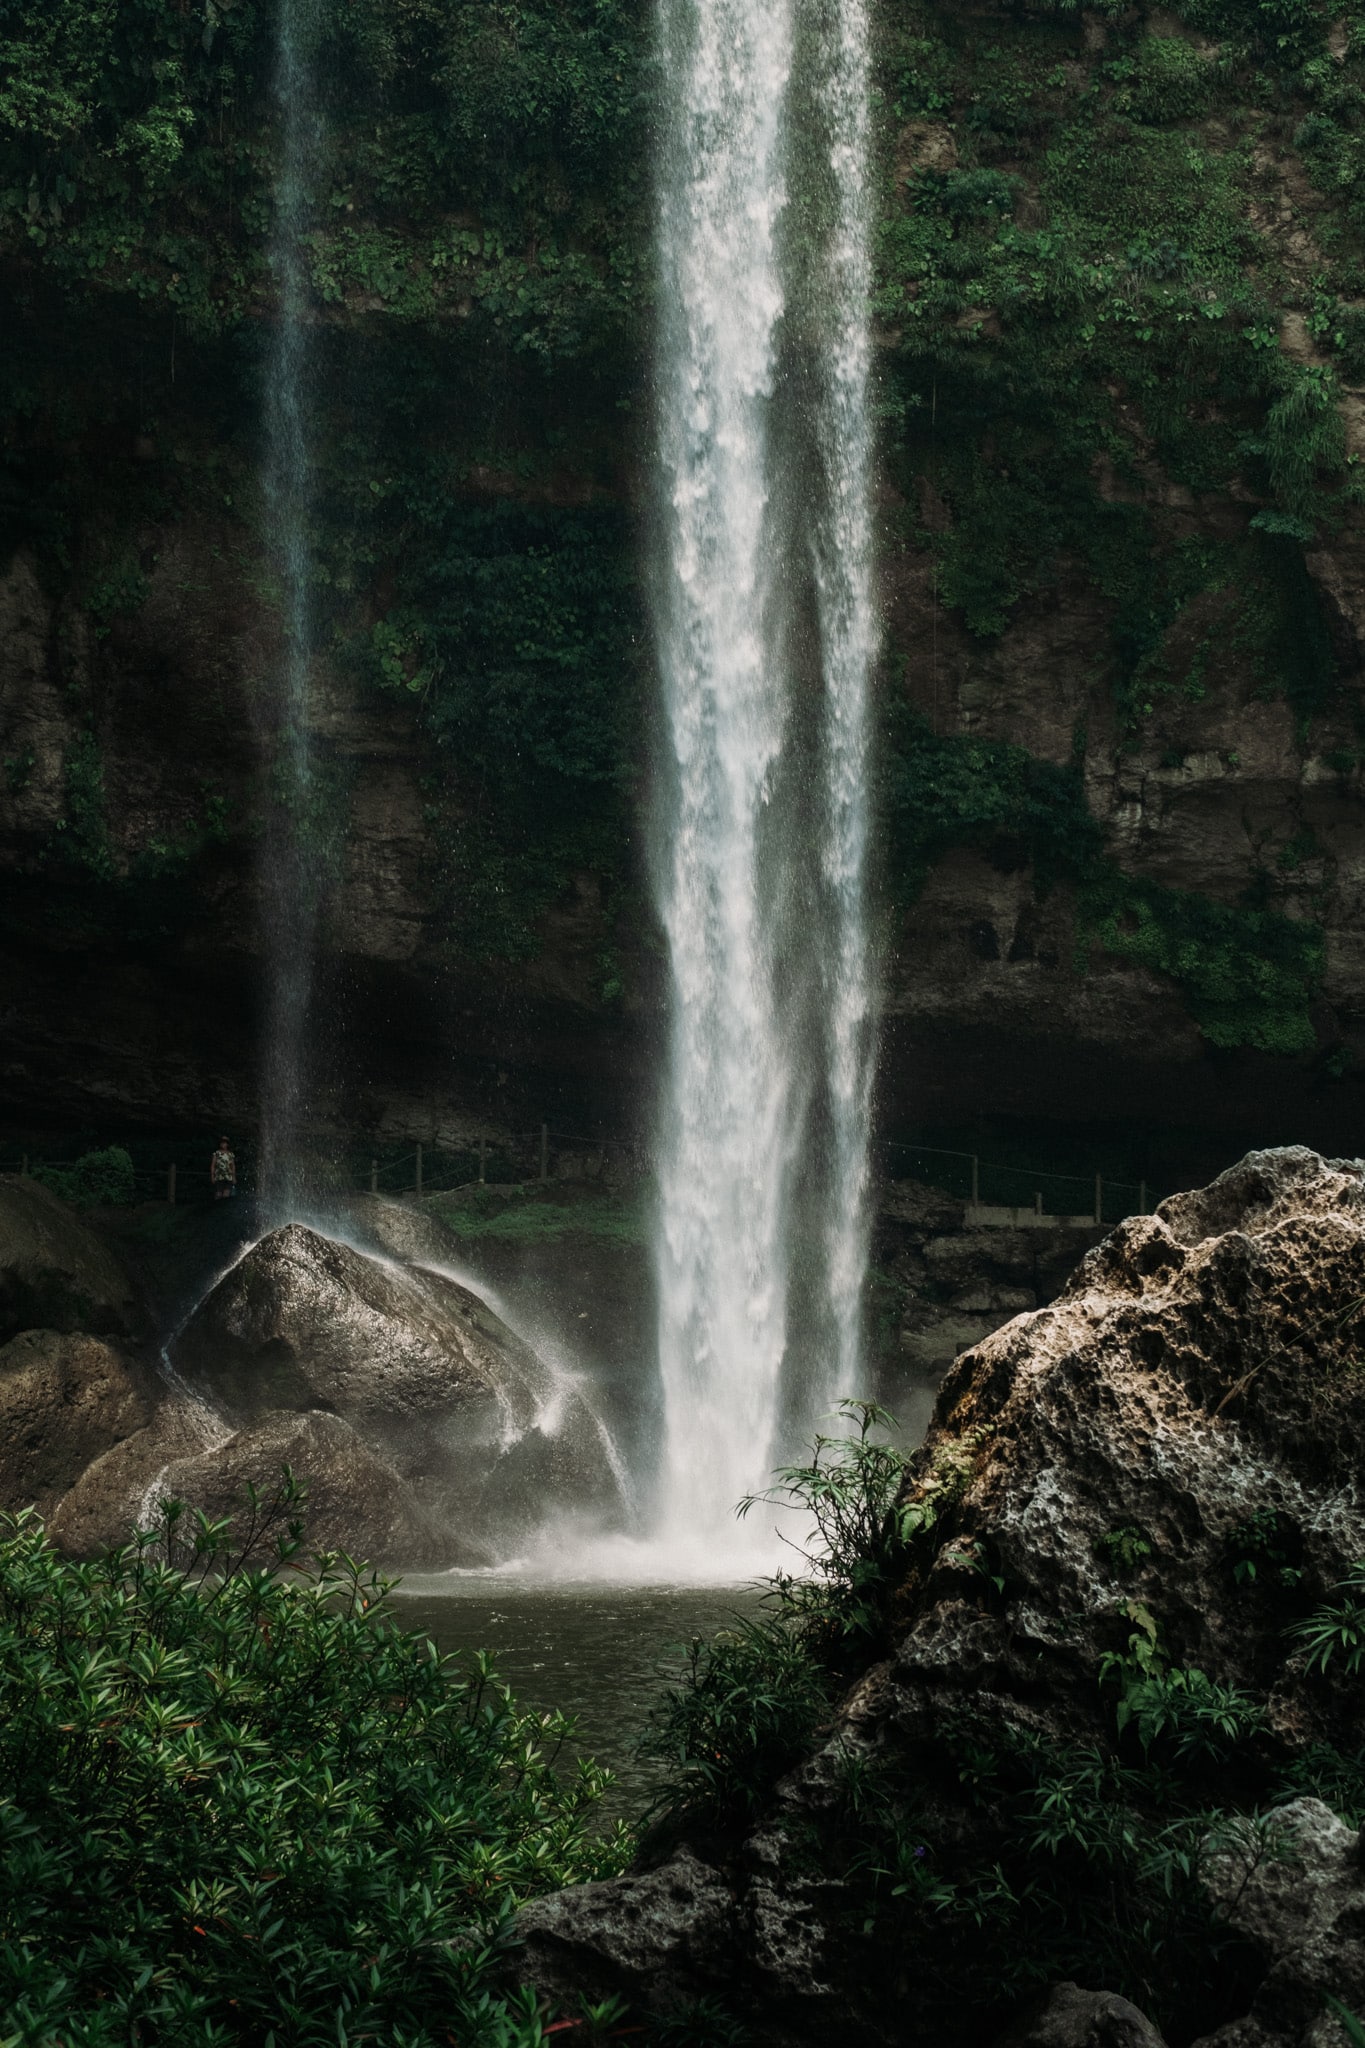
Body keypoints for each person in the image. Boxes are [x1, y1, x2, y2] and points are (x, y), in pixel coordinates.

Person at [210, 1136, 237, 1200]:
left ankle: (225, 1207)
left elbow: (232, 1166)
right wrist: (212, 1176)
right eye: (222, 1143)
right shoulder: (216, 1153)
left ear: (227, 1144)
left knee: (226, 1195)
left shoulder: (230, 1154)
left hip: (228, 1177)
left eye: (225, 1143)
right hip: (219, 1177)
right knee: (218, 1194)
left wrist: (234, 1177)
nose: (223, 1144)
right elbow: (213, 1165)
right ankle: (217, 1208)